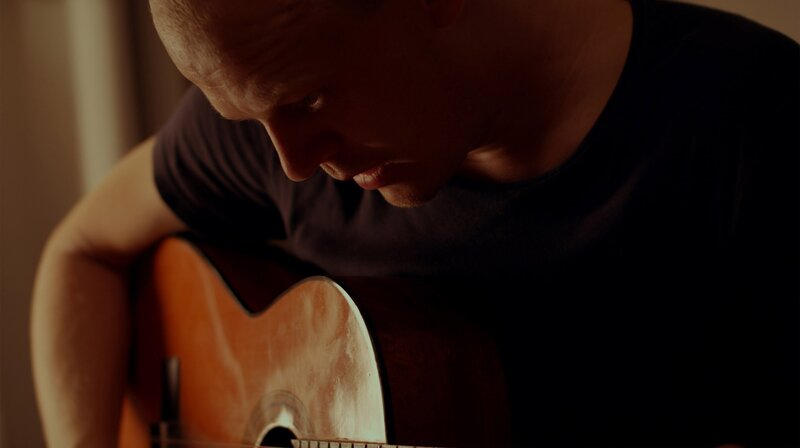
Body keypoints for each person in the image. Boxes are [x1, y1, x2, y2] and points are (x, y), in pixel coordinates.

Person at [31, 0, 798, 446]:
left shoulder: (752, 126)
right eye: (249, 116)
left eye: (308, 99)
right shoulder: (274, 104)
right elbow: (83, 251)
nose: (292, 163)